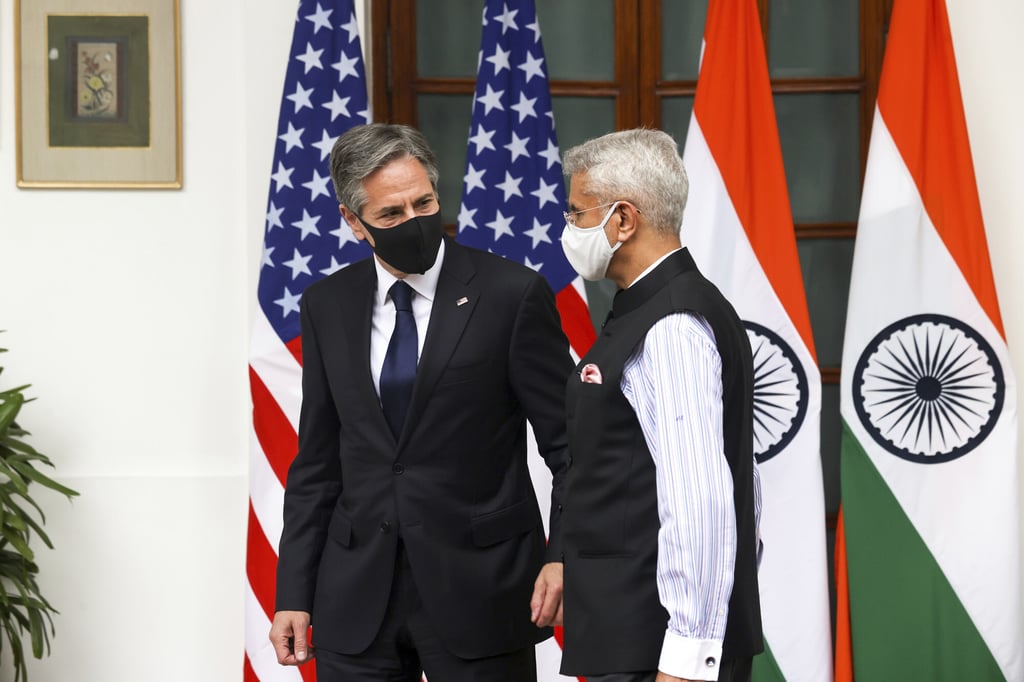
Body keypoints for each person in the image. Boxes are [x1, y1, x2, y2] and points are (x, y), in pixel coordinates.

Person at [269, 123, 572, 681]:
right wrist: (294, 591)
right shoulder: (326, 305)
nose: (414, 221)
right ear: (353, 222)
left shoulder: (511, 295)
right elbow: (317, 462)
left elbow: (571, 446)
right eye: (391, 214)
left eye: (424, 202)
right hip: (356, 598)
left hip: (482, 590)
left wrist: (561, 556)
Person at [556, 128, 764, 682]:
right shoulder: (661, 307)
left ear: (623, 220)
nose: (569, 228)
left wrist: (687, 658)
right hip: (630, 635)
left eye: (578, 213)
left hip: (654, 651)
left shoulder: (672, 326)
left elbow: (702, 498)